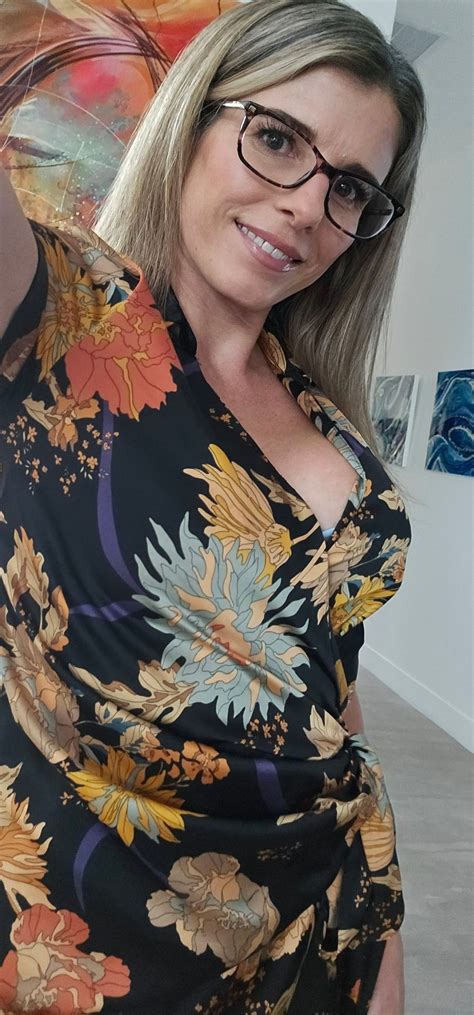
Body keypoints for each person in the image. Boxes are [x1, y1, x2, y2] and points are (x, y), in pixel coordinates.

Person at [0, 0, 426, 1012]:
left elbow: (334, 704)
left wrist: (384, 956)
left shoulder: (332, 427)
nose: (306, 206)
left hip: (324, 930)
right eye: (276, 139)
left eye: (350, 187)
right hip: (96, 950)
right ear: (190, 118)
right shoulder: (56, 312)